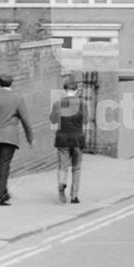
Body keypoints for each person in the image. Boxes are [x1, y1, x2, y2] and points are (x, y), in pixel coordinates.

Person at [0, 73, 33, 205]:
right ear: (11, 83)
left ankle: (4, 192)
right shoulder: (17, 99)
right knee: (4, 165)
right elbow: (26, 120)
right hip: (9, 137)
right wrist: (30, 138)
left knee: (1, 164)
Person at [50, 74, 89, 204]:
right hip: (77, 139)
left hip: (62, 139)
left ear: (64, 90)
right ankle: (74, 196)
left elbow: (53, 120)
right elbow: (86, 121)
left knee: (63, 166)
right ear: (76, 90)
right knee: (76, 168)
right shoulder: (82, 103)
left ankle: (62, 183)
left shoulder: (58, 103)